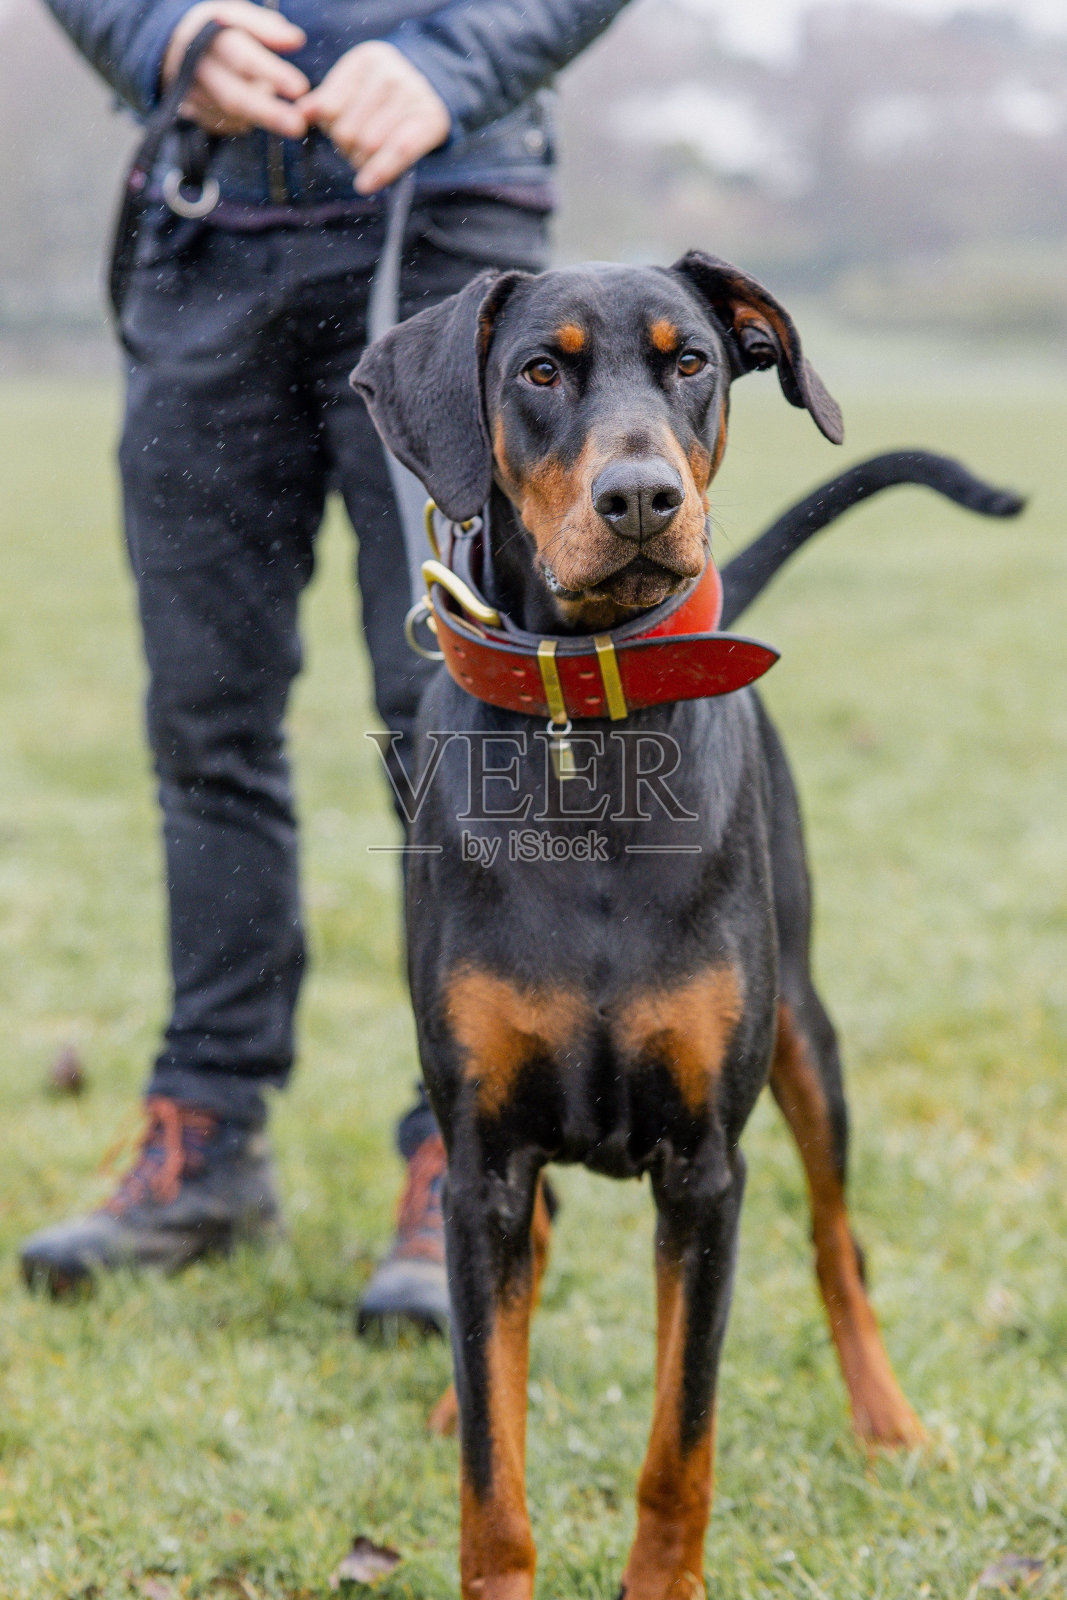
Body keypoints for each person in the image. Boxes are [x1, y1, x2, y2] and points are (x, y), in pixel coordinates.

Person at [20, 0, 630, 1331]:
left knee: (456, 718)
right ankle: (208, 1139)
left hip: (451, 236)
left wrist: (446, 63)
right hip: (204, 229)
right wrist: (161, 39)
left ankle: (472, 1159)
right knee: (204, 724)